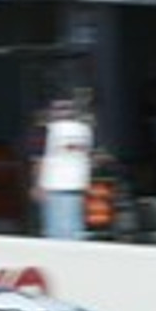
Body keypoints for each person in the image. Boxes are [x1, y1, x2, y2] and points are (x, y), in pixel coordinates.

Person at [33, 99, 93, 241]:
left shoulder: (48, 131)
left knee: (55, 231)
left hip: (54, 185)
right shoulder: (85, 131)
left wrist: (37, 184)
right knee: (75, 228)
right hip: (77, 184)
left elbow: (39, 159)